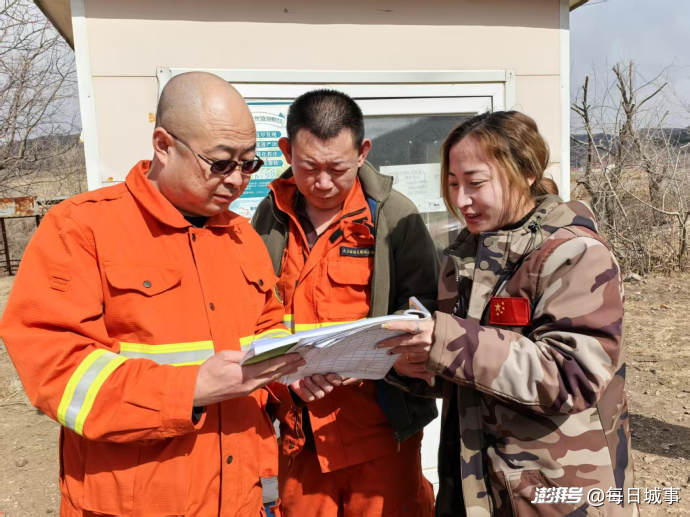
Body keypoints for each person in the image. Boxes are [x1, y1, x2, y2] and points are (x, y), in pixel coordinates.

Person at [0, 72, 308, 516]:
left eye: (248, 164)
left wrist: (290, 371)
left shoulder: (242, 236)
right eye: (221, 163)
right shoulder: (81, 229)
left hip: (243, 495)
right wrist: (191, 389)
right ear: (163, 145)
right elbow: (57, 370)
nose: (237, 180)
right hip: (138, 502)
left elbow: (267, 325)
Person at [382, 110, 636, 516]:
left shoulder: (574, 254)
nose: (461, 200)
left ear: (527, 172)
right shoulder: (465, 256)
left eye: (475, 183)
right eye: (453, 184)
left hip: (556, 492)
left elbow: (573, 377)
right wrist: (414, 365)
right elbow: (474, 372)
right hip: (476, 484)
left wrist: (447, 342)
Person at [252, 89, 438, 516]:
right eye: (308, 167)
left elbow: (425, 307)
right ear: (286, 151)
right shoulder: (270, 217)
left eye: (337, 169)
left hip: (380, 434)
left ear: (362, 153)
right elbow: (256, 311)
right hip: (299, 435)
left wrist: (374, 355)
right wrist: (283, 376)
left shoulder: (393, 217)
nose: (322, 183)